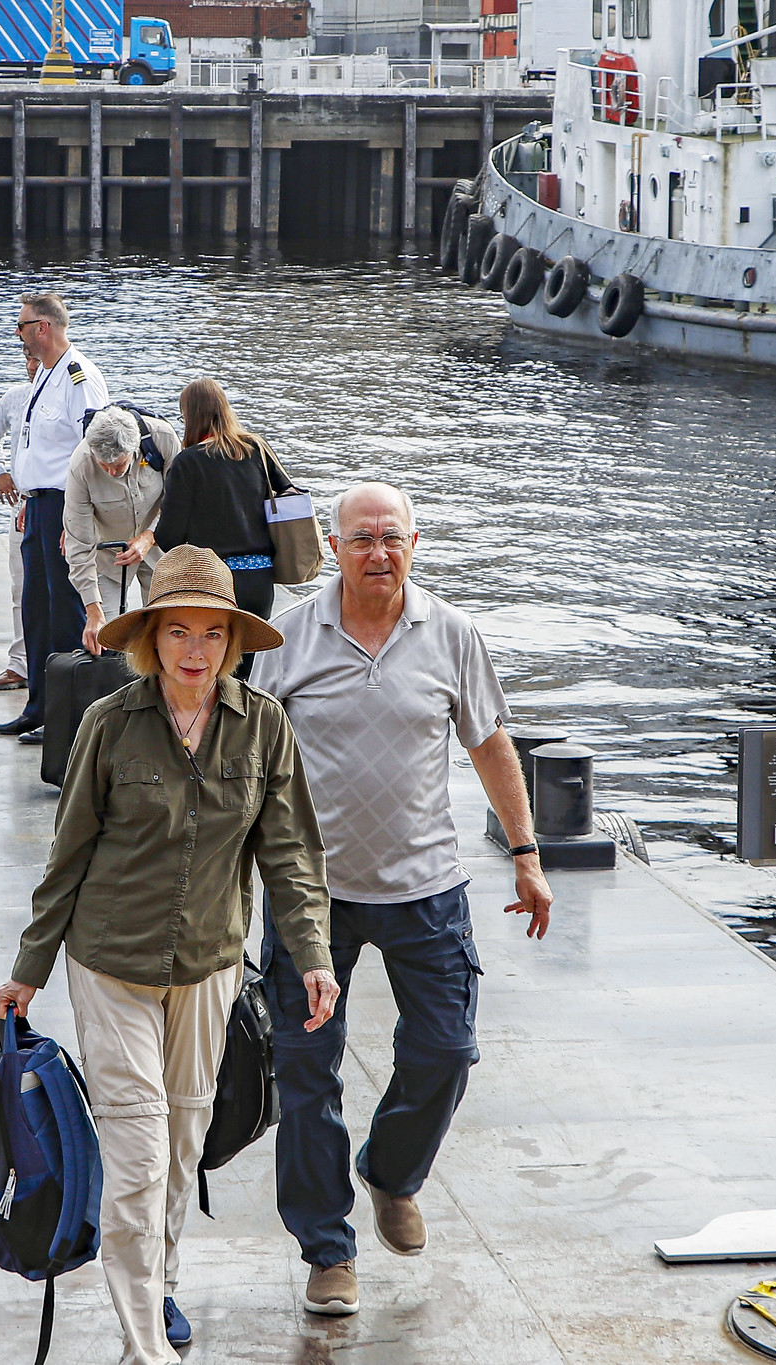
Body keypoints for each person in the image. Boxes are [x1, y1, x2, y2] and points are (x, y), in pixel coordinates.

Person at [0, 545, 340, 1365]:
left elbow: (291, 854)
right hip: (110, 962)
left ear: (233, 642)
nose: (196, 649)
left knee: (185, 1140)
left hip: (211, 966)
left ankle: (163, 1276)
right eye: (178, 631)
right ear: (151, 639)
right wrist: (29, 968)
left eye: (213, 633)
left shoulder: (264, 727)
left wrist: (314, 954)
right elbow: (67, 856)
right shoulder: (109, 725)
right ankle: (146, 1344)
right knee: (140, 1149)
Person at [248, 481, 554, 1318]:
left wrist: (525, 854)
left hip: (428, 886)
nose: (378, 553)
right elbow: (252, 754)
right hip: (312, 894)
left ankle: (391, 1172)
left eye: (392, 537)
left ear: (414, 543)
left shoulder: (450, 632)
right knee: (307, 1074)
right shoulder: (287, 637)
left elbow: (490, 745)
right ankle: (327, 1248)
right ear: (333, 546)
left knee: (448, 1050)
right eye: (361, 539)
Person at [0, 292, 108, 744]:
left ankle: (68, 716)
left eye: (21, 326)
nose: (17, 334)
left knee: (65, 612)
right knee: (36, 610)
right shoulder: (45, 376)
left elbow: (96, 449)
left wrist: (79, 521)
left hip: (66, 505)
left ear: (43, 327)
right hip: (37, 505)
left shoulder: (80, 377)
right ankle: (38, 706)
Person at [152, 378, 293, 680]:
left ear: (191, 416)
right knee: (248, 677)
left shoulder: (187, 463)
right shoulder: (255, 447)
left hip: (214, 585)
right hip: (259, 581)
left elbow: (169, 537)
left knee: (213, 677)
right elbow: (290, 495)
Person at [65, 405, 176, 655]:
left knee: (167, 633)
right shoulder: (80, 465)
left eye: (118, 464)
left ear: (133, 449)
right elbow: (78, 542)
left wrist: (150, 537)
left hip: (160, 549)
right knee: (105, 638)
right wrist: (93, 612)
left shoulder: (163, 439)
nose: (112, 472)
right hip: (109, 556)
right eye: (104, 467)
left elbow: (180, 501)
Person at [0, 353, 38, 692]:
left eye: (37, 361)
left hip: (64, 506)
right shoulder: (15, 398)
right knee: (22, 587)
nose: (31, 367)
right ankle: (21, 663)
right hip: (24, 506)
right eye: (27, 360)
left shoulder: (72, 392)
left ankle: (64, 657)